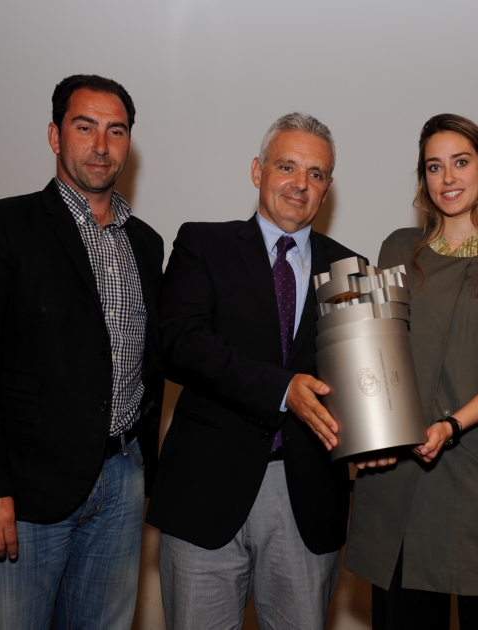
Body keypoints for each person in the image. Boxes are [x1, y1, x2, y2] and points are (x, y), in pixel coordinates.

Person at [0, 74, 164, 629]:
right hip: (23, 493)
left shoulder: (146, 242)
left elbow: (150, 363)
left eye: (116, 131)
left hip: (122, 478)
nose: (101, 145)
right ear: (54, 135)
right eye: (84, 127)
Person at [146, 113, 360, 630]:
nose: (299, 184)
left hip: (307, 500)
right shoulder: (203, 245)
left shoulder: (350, 268)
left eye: (315, 174)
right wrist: (282, 389)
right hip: (205, 496)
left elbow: (358, 380)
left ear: (327, 188)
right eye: (287, 166)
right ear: (257, 171)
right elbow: (181, 345)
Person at [344, 114, 478, 630]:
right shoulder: (397, 248)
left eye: (460, 163)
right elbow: (371, 357)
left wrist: (451, 426)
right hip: (401, 479)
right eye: (435, 167)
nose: (448, 178)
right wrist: (368, 433)